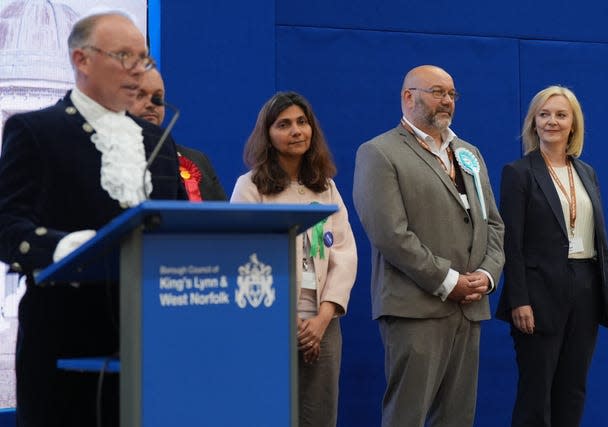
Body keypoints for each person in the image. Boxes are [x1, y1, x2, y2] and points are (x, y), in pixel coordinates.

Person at [0, 12, 186, 427]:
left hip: (150, 340)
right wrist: (73, 247)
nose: (138, 69)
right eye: (124, 56)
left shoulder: (158, 139)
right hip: (64, 337)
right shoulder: (36, 131)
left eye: (144, 58)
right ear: (81, 60)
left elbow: (179, 226)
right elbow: (8, 228)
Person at [353, 65, 505, 427]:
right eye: (438, 92)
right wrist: (449, 281)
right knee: (407, 415)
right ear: (408, 96)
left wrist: (487, 273)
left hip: (470, 308)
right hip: (415, 308)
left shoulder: (469, 153)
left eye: (452, 94)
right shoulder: (379, 152)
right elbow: (390, 234)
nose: (447, 101)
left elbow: (494, 224)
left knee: (457, 417)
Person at [230, 91, 357, 427]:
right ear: (268, 136)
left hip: (324, 323)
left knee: (320, 416)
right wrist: (292, 322)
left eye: (302, 122)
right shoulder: (250, 187)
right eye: (284, 125)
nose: (296, 131)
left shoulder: (326, 187)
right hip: (268, 321)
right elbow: (245, 259)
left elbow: (344, 254)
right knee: (267, 412)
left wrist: (321, 320)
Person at [496, 85, 608, 427]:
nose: (552, 121)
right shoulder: (518, 172)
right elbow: (512, 244)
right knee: (536, 393)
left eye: (561, 115)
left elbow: (600, 237)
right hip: (537, 294)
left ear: (573, 124)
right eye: (544, 114)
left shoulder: (587, 172)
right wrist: (519, 299)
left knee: (573, 389)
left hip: (586, 289)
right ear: (533, 123)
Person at [129, 68, 227, 201]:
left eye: (157, 97)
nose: (151, 105)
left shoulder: (198, 160)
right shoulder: (113, 157)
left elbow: (222, 217)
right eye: (140, 95)